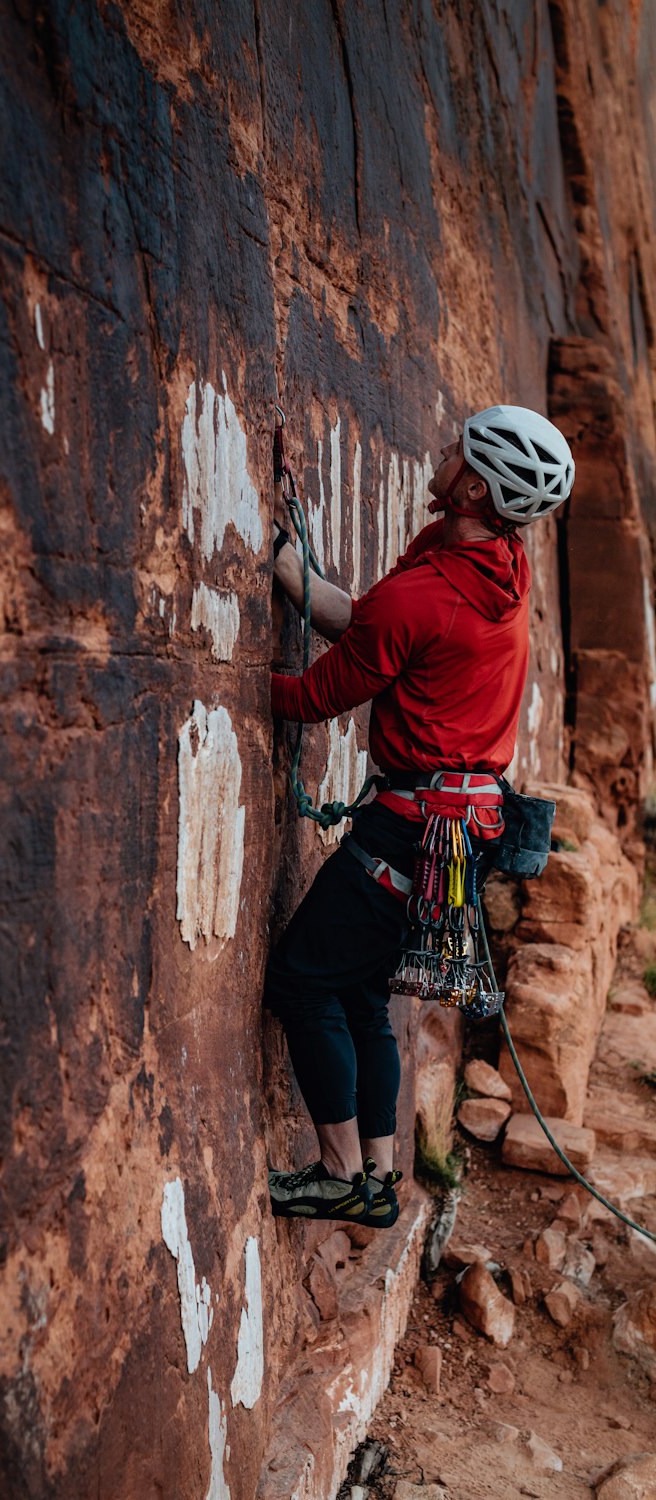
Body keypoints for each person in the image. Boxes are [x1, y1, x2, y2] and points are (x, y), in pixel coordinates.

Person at [265, 406, 574, 1227]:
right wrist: (296, 579)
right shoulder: (501, 569)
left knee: (302, 982)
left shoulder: (428, 594)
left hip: (405, 835)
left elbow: (319, 692)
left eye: (456, 450)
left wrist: (230, 679)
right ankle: (377, 1180)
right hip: (452, 840)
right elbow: (380, 628)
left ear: (473, 486)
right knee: (363, 998)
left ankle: (339, 1174)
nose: (438, 451)